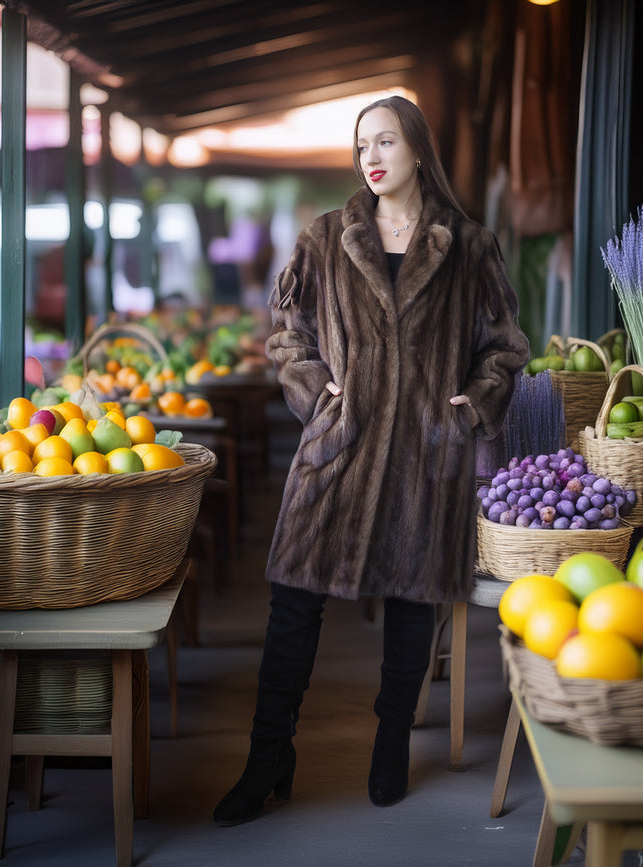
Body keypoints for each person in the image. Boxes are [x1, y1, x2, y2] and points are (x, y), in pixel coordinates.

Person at [213, 95, 529, 826]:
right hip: (338, 447)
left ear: (419, 148)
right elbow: (286, 331)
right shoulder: (328, 237)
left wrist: (473, 402)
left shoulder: (468, 246)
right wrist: (311, 386)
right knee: (293, 603)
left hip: (426, 453)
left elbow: (506, 347)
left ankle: (391, 742)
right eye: (362, 147)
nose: (373, 157)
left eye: (387, 141)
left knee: (414, 602)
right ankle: (268, 754)